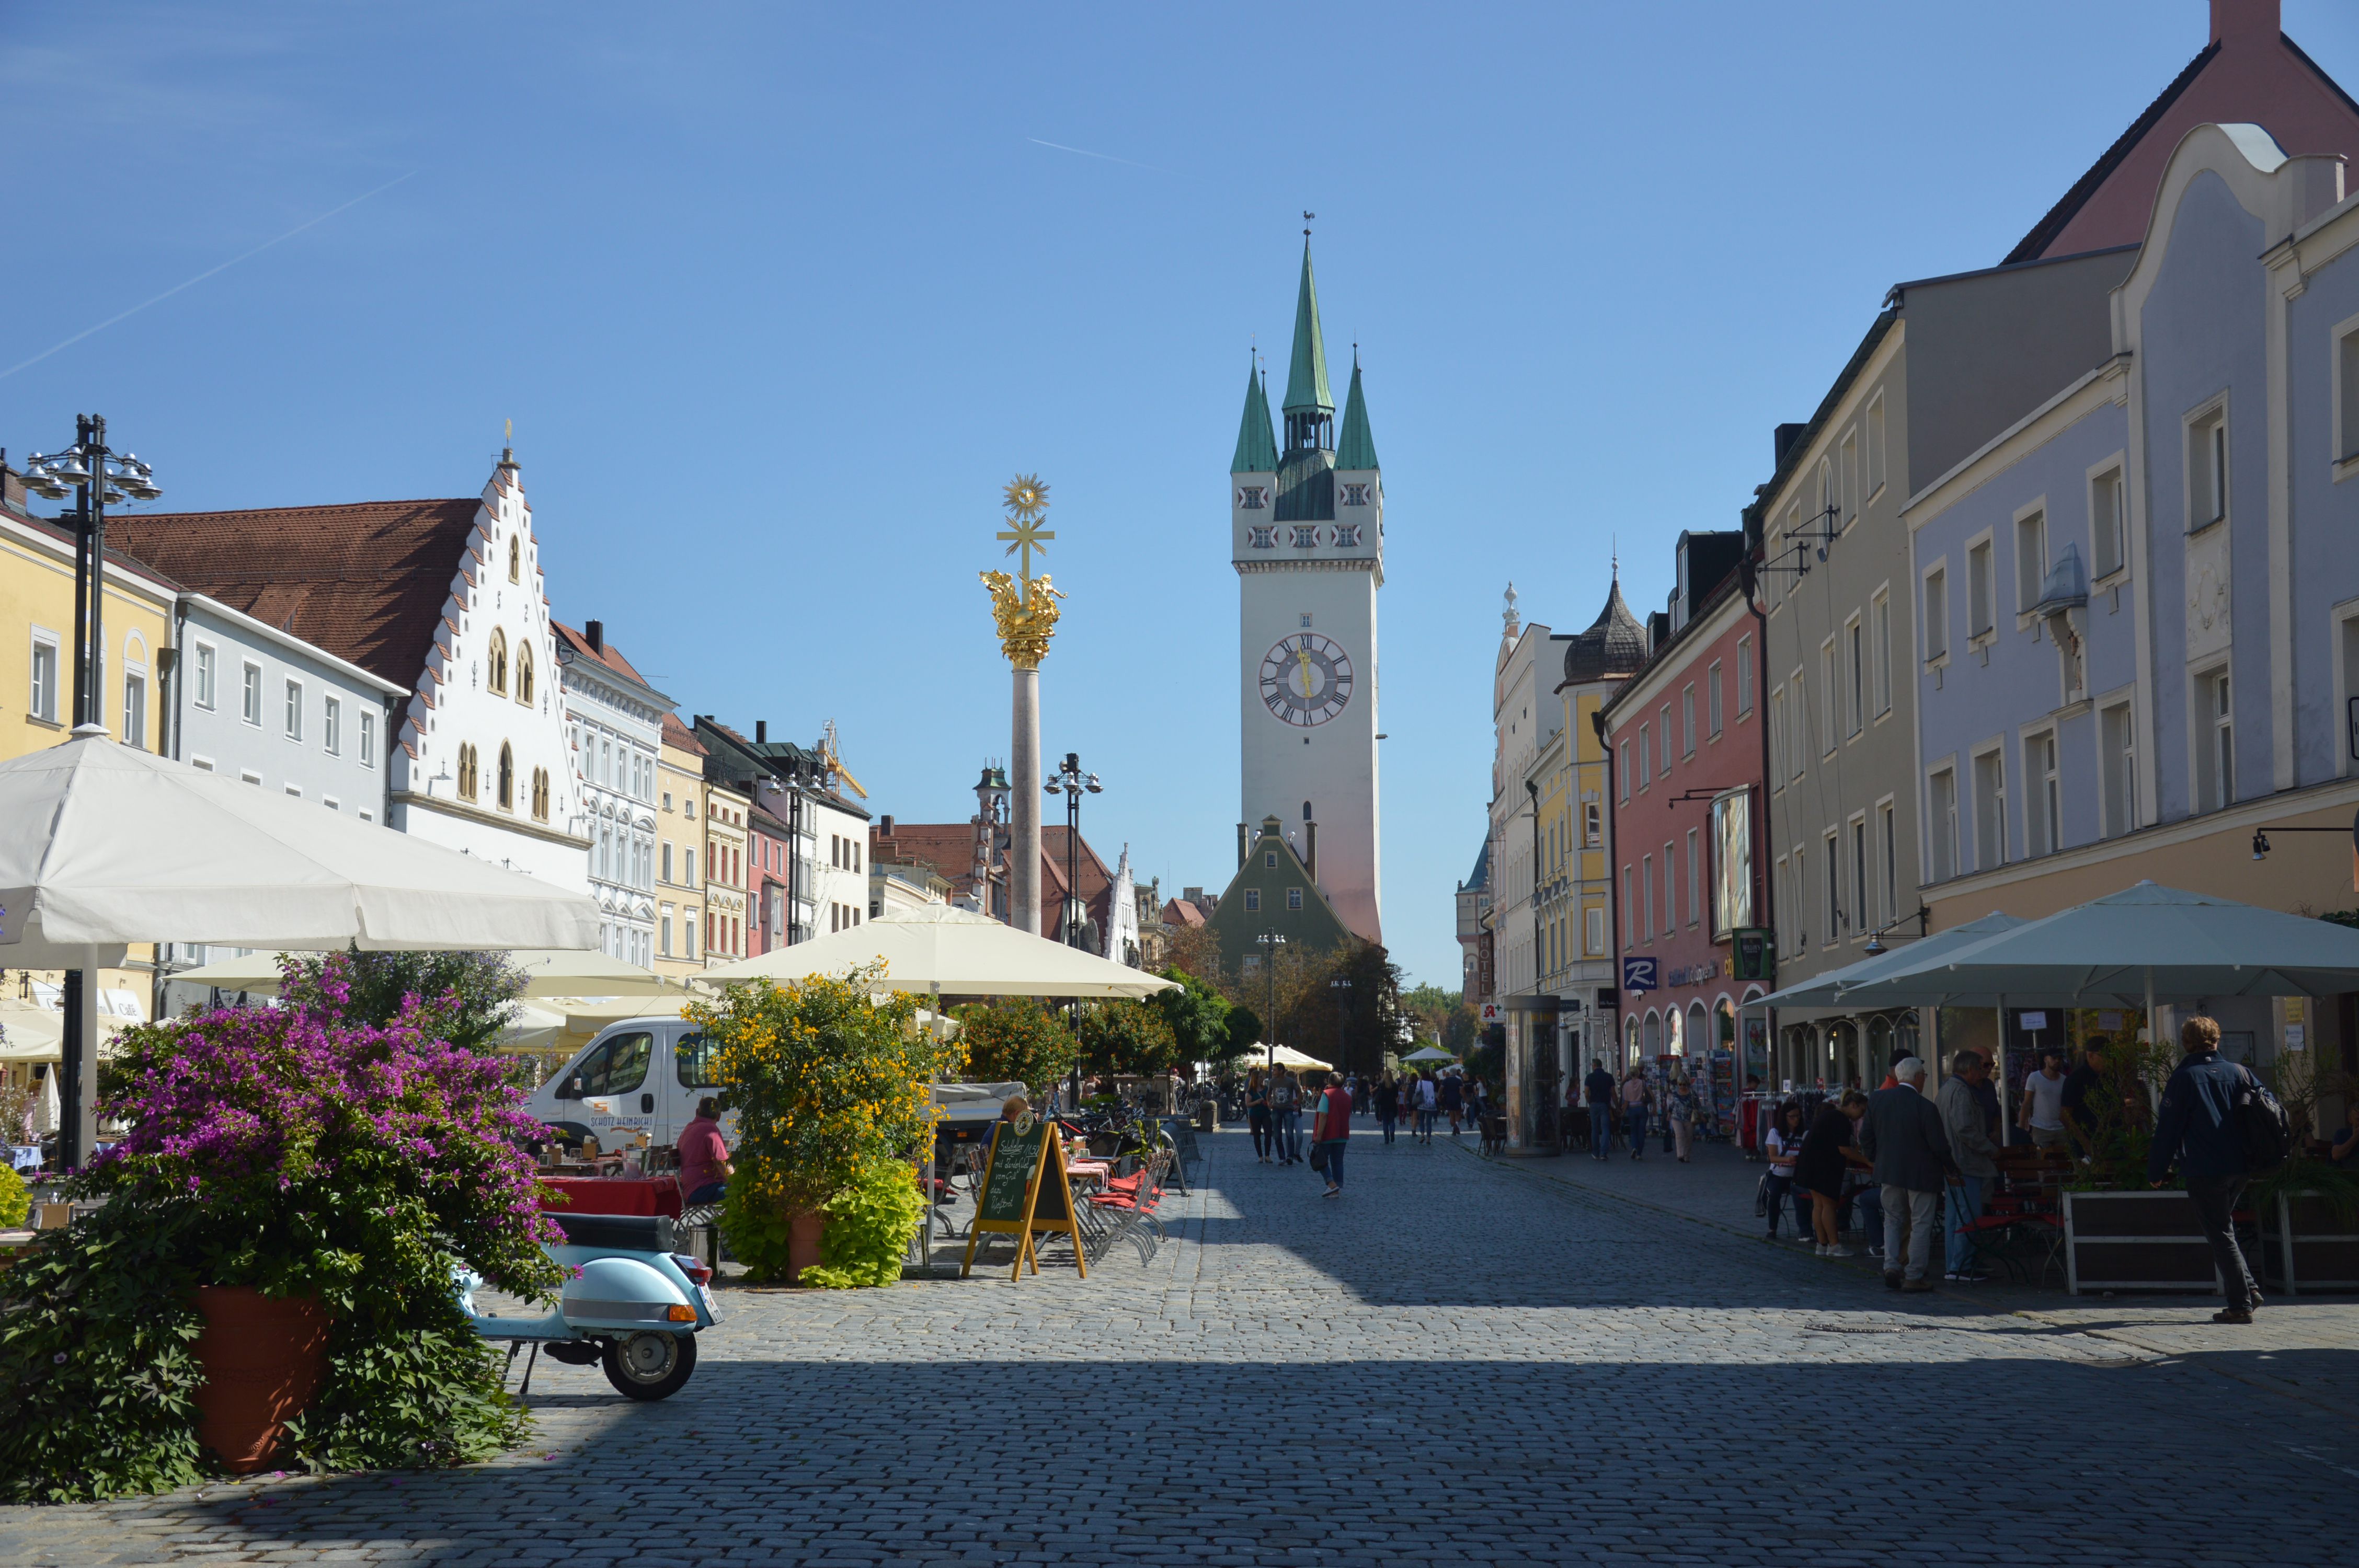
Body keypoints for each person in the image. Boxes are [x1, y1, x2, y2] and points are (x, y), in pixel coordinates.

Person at [2148, 1014, 2261, 1323]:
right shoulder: (2241, 1073)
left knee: (2220, 1232)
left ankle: (2240, 1304)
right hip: (2240, 1165)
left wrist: (2157, 1170)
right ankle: (2248, 1289)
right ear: (2217, 1039)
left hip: (2204, 1166)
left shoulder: (2186, 1078)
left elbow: (2168, 1129)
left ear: (2186, 1043)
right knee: (2223, 1227)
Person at [1859, 1057, 1959, 1292]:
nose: (1924, 1079)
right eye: (1923, 1075)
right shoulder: (1924, 1106)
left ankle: (1891, 1266)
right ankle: (1914, 1276)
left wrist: (1876, 1158)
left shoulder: (1878, 1100)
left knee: (1892, 1220)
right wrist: (1951, 1168)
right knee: (1921, 1223)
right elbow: (1939, 1145)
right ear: (1917, 1078)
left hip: (1889, 1171)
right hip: (1921, 1173)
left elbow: (1866, 1137)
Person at [1938, 1051, 2001, 1283]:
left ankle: (1954, 1265)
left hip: (1954, 1163)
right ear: (1969, 1069)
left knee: (1955, 1217)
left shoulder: (1946, 1090)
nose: (1982, 1074)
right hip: (1966, 1163)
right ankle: (1960, 1266)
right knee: (1968, 1216)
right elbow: (1965, 1129)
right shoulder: (1962, 1092)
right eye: (1979, 1069)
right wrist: (1989, 1148)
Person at [1794, 1090, 1869, 1256]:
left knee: (1818, 1205)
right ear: (1853, 1105)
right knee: (1828, 1205)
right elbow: (1844, 1150)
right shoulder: (1841, 1120)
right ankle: (1834, 1245)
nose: (1862, 1116)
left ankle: (1822, 1244)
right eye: (1862, 1111)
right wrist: (1868, 1161)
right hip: (1824, 1167)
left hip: (1809, 1165)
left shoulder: (1829, 1115)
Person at [1762, 1101, 1806, 1240]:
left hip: (1798, 1175)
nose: (1796, 1119)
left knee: (1803, 1198)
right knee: (1774, 1195)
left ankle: (1805, 1231)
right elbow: (1773, 1157)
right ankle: (1772, 1229)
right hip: (1779, 1175)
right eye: (1792, 1117)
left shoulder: (1804, 1134)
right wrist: (1788, 1160)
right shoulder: (1775, 1133)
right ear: (1785, 1117)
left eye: (1798, 1116)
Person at [678, 1097, 734, 1205]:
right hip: (703, 1188)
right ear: (719, 1117)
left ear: (697, 1112)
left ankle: (723, 1221)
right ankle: (727, 1222)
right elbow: (722, 1163)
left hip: (690, 1189)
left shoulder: (688, 1129)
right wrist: (737, 1182)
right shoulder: (711, 1131)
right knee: (741, 1193)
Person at [2060, 1041, 2110, 1156]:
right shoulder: (2075, 1079)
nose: (2108, 1061)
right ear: (2091, 1056)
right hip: (2087, 1143)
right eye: (2104, 1056)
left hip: (2112, 1142)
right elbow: (2065, 1116)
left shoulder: (2111, 1076)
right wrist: (2085, 1144)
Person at [1312, 1071, 1353, 1197]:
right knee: (1338, 1162)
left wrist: (1319, 1135)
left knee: (1319, 1160)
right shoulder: (1347, 1096)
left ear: (1329, 1081)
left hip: (1328, 1133)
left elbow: (1324, 1114)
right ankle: (1337, 1188)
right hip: (1342, 1133)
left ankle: (1331, 1184)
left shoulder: (1327, 1094)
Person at [2020, 1051, 2069, 1149]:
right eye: (2054, 1058)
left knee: (2063, 1160)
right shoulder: (2034, 1077)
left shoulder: (2064, 1080)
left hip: (2061, 1128)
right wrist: (2021, 1127)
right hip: (2041, 1128)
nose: (2057, 1061)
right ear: (2046, 1059)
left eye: (2059, 1059)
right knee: (2041, 1161)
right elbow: (2027, 1103)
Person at [1585, 1059, 1617, 1161]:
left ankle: (1595, 1153)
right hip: (1605, 1105)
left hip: (1594, 1104)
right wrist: (1617, 1106)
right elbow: (1613, 1093)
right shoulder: (1608, 1077)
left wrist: (1590, 1102)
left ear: (1594, 1066)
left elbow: (1586, 1093)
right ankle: (1604, 1153)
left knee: (1595, 1129)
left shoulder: (1589, 1077)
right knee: (1605, 1129)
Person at [1270, 1068, 1303, 1165]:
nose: (1296, 1080)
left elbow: (1301, 1098)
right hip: (1286, 1112)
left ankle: (1296, 1153)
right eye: (1295, 1078)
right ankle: (1289, 1156)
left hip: (1297, 1114)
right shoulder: (1283, 1087)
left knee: (1300, 1135)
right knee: (1289, 1135)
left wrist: (1298, 1102)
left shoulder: (1297, 1088)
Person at [1245, 1068, 1275, 1163]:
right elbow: (1248, 1104)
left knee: (1268, 1134)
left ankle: (1267, 1155)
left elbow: (1270, 1100)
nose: (1263, 1078)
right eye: (1261, 1077)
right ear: (1256, 1078)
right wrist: (1257, 1102)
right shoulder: (1250, 1091)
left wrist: (1270, 1103)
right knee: (1257, 1135)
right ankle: (1260, 1156)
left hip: (1266, 1114)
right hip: (1255, 1115)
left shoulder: (1266, 1089)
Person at [1666, 1074, 1696, 1163]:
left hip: (1689, 1118)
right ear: (1678, 1085)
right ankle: (1681, 1155)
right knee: (1680, 1135)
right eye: (1680, 1084)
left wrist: (1701, 1116)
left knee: (1689, 1137)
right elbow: (1672, 1105)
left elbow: (1697, 1105)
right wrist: (1669, 1113)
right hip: (1676, 1118)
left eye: (1684, 1084)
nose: (1682, 1086)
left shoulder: (1692, 1093)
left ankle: (1687, 1156)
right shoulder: (1675, 1094)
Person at [1620, 1069, 1649, 1161]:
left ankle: (1634, 1147)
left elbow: (1626, 1102)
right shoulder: (1643, 1083)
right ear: (1638, 1074)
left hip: (1632, 1109)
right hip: (1642, 1108)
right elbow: (1650, 1094)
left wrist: (1623, 1113)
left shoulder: (1626, 1085)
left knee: (1633, 1131)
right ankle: (1639, 1154)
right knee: (1641, 1131)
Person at [1375, 1071, 1401, 1145]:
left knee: (1385, 1123)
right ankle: (1392, 1133)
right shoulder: (1394, 1085)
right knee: (1392, 1121)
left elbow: (1379, 1096)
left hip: (1384, 1106)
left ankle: (1386, 1139)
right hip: (1392, 1105)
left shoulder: (1382, 1085)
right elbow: (1396, 1095)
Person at [1414, 1070, 1438, 1144]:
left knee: (1421, 1120)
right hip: (1431, 1105)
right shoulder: (1431, 1083)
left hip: (1422, 1104)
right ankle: (1428, 1139)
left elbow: (1417, 1092)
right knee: (1429, 1122)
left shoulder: (1420, 1082)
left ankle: (1422, 1135)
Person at [1439, 1069, 1464, 1137]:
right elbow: (1462, 1091)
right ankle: (1457, 1125)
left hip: (1449, 1099)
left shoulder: (1446, 1080)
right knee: (1458, 1114)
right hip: (1457, 1099)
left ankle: (1454, 1129)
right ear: (1456, 1074)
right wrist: (1464, 1098)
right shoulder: (1459, 1081)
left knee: (1451, 1115)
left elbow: (1441, 1089)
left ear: (1450, 1073)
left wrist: (1439, 1096)